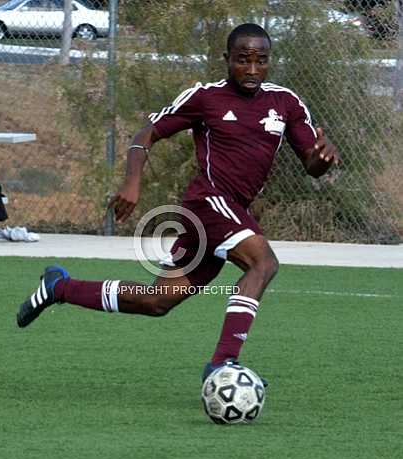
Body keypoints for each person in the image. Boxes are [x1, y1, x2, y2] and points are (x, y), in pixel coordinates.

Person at [17, 23, 339, 386]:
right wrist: (132, 182)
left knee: (155, 301)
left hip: (231, 212)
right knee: (263, 263)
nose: (251, 69)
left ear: (269, 62)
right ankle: (223, 364)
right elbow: (146, 134)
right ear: (226, 60)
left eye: (261, 61)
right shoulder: (205, 98)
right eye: (242, 60)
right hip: (208, 202)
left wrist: (323, 160)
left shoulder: (286, 103)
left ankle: (59, 286)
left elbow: (312, 163)